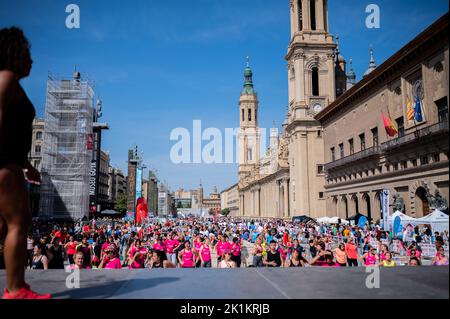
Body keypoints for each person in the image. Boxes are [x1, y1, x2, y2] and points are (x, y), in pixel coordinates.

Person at [0, 27, 51, 299]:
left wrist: (26, 164)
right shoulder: (5, 78)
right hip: (3, 165)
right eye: (27, 54)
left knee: (3, 226)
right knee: (19, 221)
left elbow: (10, 130)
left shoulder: (11, 82)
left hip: (11, 162)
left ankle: (14, 287)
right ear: (14, 54)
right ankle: (16, 290)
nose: (31, 60)